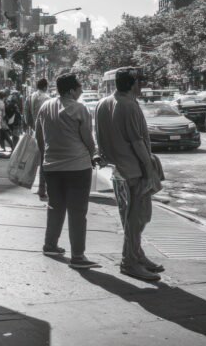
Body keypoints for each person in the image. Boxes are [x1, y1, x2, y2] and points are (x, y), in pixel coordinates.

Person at [95, 68, 163, 281]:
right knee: (138, 217)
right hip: (133, 169)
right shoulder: (128, 105)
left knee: (130, 215)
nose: (141, 85)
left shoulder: (102, 103)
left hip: (117, 169)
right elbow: (137, 141)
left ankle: (137, 255)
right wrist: (149, 168)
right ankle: (130, 261)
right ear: (133, 83)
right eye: (139, 81)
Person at [35, 73, 100, 270]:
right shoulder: (79, 108)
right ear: (71, 90)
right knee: (78, 211)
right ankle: (78, 256)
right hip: (77, 167)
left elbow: (39, 137)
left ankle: (50, 244)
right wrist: (94, 154)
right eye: (80, 87)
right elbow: (88, 139)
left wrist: (48, 155)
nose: (81, 91)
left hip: (51, 166)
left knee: (55, 206)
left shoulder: (45, 106)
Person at [25, 78, 52, 200]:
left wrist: (32, 127)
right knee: (45, 160)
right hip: (45, 131)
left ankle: (40, 187)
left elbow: (26, 115)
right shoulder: (47, 98)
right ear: (46, 86)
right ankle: (43, 188)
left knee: (39, 160)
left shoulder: (30, 97)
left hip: (35, 130)